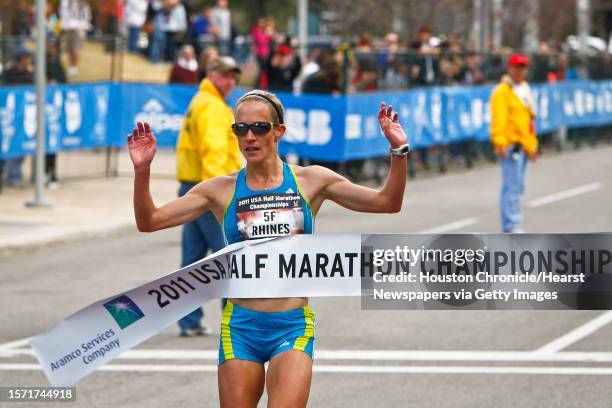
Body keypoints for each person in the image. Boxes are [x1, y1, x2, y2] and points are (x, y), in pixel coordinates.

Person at [127, 89, 408, 406]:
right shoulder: (219, 189)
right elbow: (149, 221)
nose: (250, 137)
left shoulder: (311, 181)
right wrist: (142, 171)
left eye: (259, 128)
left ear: (279, 132)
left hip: (292, 324)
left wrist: (399, 151)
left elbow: (387, 202)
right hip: (241, 327)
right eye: (240, 129)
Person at [173, 56, 242, 336]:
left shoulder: (203, 101)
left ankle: (189, 320)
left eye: (233, 76)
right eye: (225, 75)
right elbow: (213, 152)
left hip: (193, 187)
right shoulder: (212, 106)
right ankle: (235, 320)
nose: (230, 81)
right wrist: (220, 193)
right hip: (209, 190)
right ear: (211, 74)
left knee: (193, 259)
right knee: (229, 256)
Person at [490, 53, 538, 233]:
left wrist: (532, 145)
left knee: (518, 186)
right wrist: (500, 142)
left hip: (523, 145)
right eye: (517, 67)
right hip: (511, 145)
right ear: (510, 68)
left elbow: (529, 121)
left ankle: (513, 222)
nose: (520, 71)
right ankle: (511, 225)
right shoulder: (502, 91)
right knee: (511, 186)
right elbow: (498, 119)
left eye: (523, 67)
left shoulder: (524, 89)